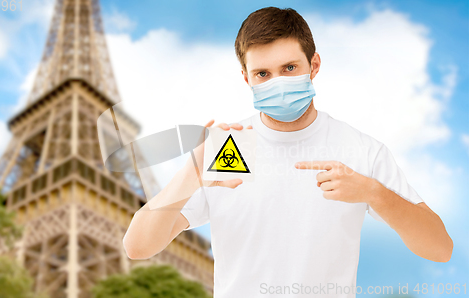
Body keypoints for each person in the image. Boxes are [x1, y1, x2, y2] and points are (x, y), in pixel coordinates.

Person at [123, 6, 453, 298]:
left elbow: (439, 248)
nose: (277, 83)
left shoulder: (361, 150)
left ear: (315, 64)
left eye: (290, 68)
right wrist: (191, 174)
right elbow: (137, 247)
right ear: (246, 78)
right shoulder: (227, 148)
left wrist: (374, 192)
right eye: (262, 74)